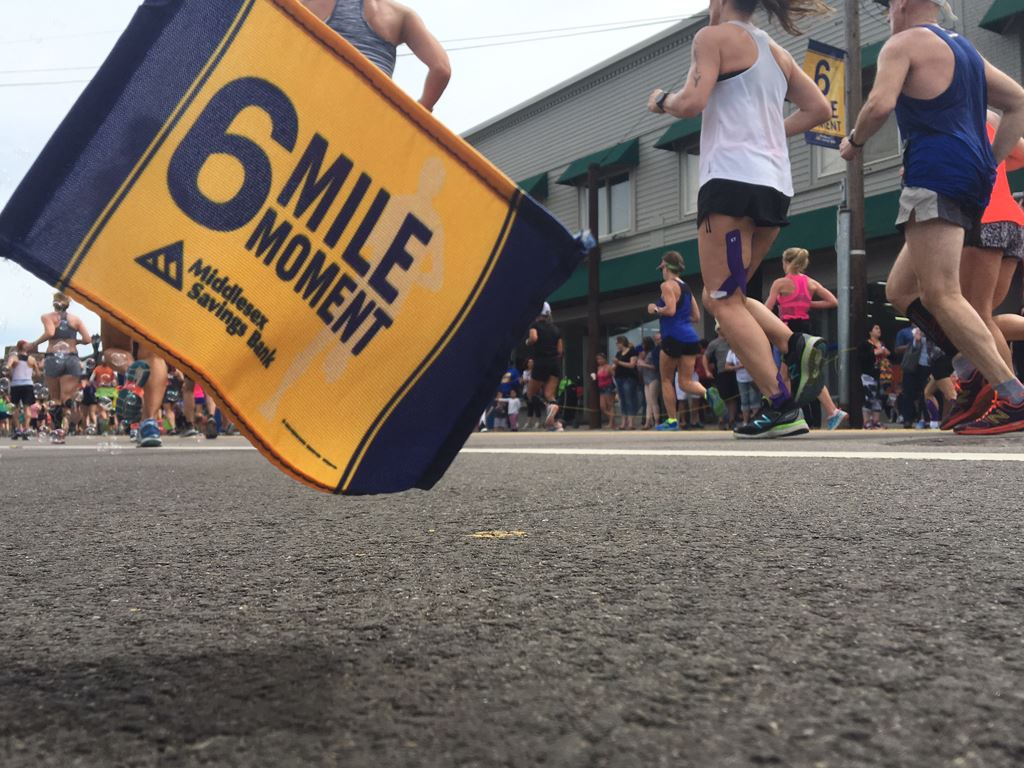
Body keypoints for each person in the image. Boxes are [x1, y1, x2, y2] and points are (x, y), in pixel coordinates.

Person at [648, 0, 832, 438]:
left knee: (722, 300)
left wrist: (660, 100)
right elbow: (820, 110)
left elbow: (691, 102)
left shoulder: (712, 39)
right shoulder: (777, 52)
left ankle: (782, 404)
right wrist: (766, 129)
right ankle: (795, 344)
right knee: (731, 296)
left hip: (730, 181)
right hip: (774, 185)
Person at [840, 0, 1024, 435]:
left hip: (933, 173)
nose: (886, 13)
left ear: (902, 4)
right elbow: (1018, 99)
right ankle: (972, 364)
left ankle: (1011, 394)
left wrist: (854, 141)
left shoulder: (902, 44)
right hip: (968, 179)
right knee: (902, 289)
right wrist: (990, 161)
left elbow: (880, 104)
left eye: (887, 7)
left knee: (943, 293)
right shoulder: (965, 50)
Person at [300, 0, 450, 111]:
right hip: (372, 116)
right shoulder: (402, 15)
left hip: (318, 102)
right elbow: (442, 69)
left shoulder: (315, 2)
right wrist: (422, 110)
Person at [765, 247, 848, 429]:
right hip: (806, 329)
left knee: (790, 375)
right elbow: (833, 301)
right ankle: (831, 411)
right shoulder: (810, 283)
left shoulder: (780, 283)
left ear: (786, 262)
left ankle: (788, 413)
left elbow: (767, 308)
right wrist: (808, 303)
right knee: (801, 372)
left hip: (788, 330)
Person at [646, 251, 723, 431]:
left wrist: (655, 309)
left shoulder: (667, 286)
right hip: (690, 338)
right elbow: (696, 316)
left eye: (662, 268)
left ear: (665, 267)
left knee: (666, 379)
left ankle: (672, 421)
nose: (662, 272)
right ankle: (707, 392)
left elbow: (671, 310)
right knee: (685, 382)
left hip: (672, 337)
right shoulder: (686, 288)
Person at [29, 292, 98, 440]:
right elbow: (87, 339)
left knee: (55, 397)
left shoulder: (47, 317)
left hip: (53, 358)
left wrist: (34, 344)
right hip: (72, 358)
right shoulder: (76, 319)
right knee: (67, 397)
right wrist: (75, 342)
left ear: (54, 303)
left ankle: (57, 428)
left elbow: (50, 332)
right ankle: (67, 421)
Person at [525, 303, 564, 429]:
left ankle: (549, 408)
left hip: (541, 361)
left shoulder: (534, 325)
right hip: (555, 363)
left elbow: (533, 338)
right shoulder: (556, 329)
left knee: (531, 393)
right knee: (549, 394)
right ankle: (556, 422)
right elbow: (560, 350)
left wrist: (528, 342)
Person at [704, 325, 739, 429]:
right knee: (722, 397)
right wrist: (707, 371)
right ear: (718, 330)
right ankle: (721, 419)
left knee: (733, 397)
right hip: (722, 372)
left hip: (735, 371)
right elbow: (705, 357)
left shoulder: (733, 341)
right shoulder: (714, 343)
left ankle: (732, 419)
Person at [5, 341, 40, 440]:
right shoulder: (32, 359)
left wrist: (9, 370)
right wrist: (29, 375)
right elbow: (38, 374)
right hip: (28, 384)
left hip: (16, 384)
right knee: (27, 408)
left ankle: (18, 430)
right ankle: (26, 429)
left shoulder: (14, 358)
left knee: (15, 408)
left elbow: (7, 368)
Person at [858, 324, 890, 429]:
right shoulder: (865, 344)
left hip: (881, 374)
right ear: (870, 332)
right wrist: (875, 352)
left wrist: (886, 353)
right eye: (876, 328)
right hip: (868, 374)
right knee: (869, 397)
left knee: (879, 398)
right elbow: (862, 357)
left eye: (879, 328)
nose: (879, 330)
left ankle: (876, 421)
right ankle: (866, 421)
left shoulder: (882, 344)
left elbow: (890, 355)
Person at [612, 337, 639, 430]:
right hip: (619, 377)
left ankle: (631, 422)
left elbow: (632, 365)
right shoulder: (618, 353)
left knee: (629, 399)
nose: (616, 345)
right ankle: (623, 422)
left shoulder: (632, 351)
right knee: (622, 400)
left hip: (629, 378)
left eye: (617, 343)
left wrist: (619, 362)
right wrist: (613, 366)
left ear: (622, 343)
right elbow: (614, 365)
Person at [637, 336, 661, 429]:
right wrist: (640, 363)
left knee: (654, 401)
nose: (642, 346)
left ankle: (657, 422)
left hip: (653, 378)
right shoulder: (644, 354)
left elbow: (656, 366)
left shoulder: (653, 352)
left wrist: (644, 364)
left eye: (643, 344)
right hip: (646, 379)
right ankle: (648, 422)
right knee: (648, 402)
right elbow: (640, 369)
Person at [593, 353, 616, 428]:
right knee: (602, 407)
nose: (599, 361)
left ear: (604, 359)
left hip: (608, 387)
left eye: (600, 359)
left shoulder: (609, 367)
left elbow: (614, 376)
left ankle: (611, 422)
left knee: (610, 405)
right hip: (601, 387)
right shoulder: (598, 368)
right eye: (597, 359)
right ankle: (612, 419)